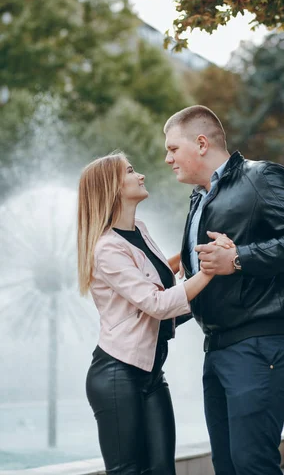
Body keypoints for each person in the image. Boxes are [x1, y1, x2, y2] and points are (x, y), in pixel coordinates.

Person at [163, 106, 284, 475]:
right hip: (220, 348)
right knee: (228, 466)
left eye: (173, 149)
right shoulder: (199, 198)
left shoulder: (263, 177)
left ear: (202, 143)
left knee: (251, 465)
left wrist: (239, 257)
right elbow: (210, 277)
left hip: (261, 343)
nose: (167, 158)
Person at [77, 151, 232, 475]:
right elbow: (158, 304)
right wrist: (209, 271)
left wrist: (199, 251)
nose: (141, 175)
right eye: (131, 171)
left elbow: (163, 275)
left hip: (150, 373)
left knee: (163, 470)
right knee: (128, 471)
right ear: (113, 187)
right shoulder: (107, 248)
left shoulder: (140, 230)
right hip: (117, 375)